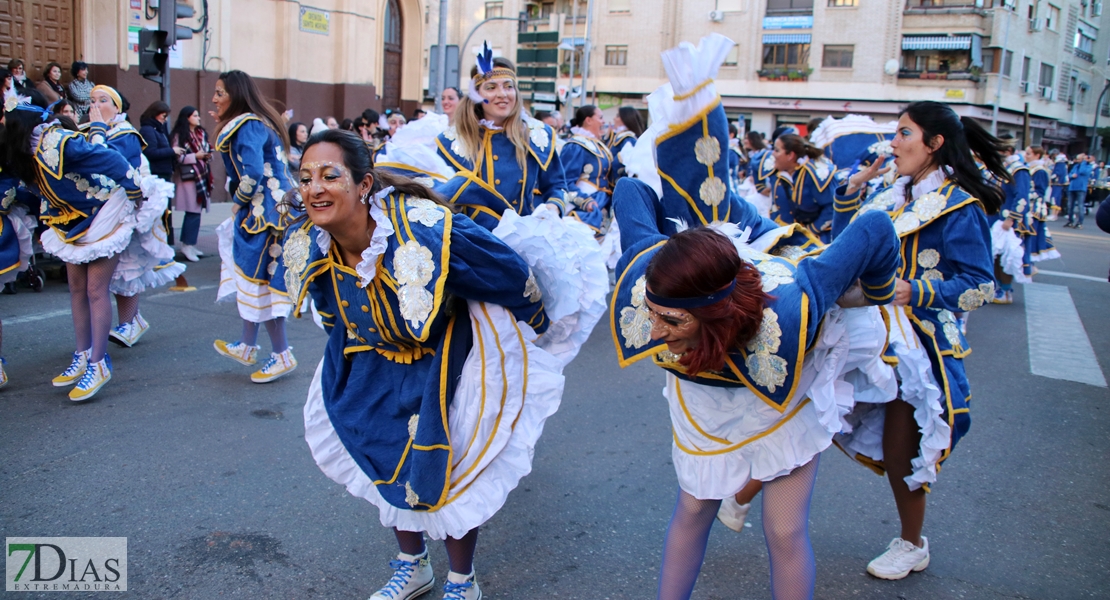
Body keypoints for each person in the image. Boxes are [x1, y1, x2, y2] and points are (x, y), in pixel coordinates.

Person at [609, 34, 901, 599]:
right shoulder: (645, 275)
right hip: (704, 398)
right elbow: (627, 191)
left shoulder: (792, 309)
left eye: (670, 322)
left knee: (784, 528)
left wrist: (875, 291)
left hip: (779, 393)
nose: (653, 333)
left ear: (713, 313)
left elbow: (873, 228)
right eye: (654, 315)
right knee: (693, 508)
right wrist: (667, 209)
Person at [280, 130, 564, 600]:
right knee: (384, 463)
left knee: (447, 475)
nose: (315, 189)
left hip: (441, 364)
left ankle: (461, 580)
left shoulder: (423, 227)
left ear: (364, 183)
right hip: (368, 364)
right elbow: (329, 309)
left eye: (331, 176)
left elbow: (506, 271)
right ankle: (412, 566)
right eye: (306, 178)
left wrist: (526, 326)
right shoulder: (312, 242)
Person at [832, 100, 1006, 581]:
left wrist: (917, 290)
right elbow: (843, 248)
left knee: (900, 450)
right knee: (814, 406)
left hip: (918, 348)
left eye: (904, 134)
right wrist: (852, 191)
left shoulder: (959, 207)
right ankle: (740, 495)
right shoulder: (890, 195)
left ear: (935, 144)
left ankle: (911, 544)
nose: (893, 143)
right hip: (868, 332)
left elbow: (979, 285)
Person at [4, 99, 144, 400]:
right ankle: (83, 353)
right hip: (71, 221)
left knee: (96, 290)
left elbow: (111, 159)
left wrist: (135, 193)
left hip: (104, 213)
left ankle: (99, 362)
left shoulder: (57, 141)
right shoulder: (26, 150)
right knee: (77, 289)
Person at [211, 70, 299, 383]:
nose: (214, 98)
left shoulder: (248, 124)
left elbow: (250, 175)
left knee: (263, 284)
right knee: (254, 280)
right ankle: (248, 345)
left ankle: (282, 355)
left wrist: (237, 203)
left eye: (220, 92)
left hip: (266, 217)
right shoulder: (253, 122)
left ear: (236, 94)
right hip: (272, 213)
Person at [435, 49, 574, 229]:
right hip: (472, 241)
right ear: (477, 94)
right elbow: (441, 196)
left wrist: (553, 207)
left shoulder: (537, 134)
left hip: (523, 238)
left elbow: (557, 185)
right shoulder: (451, 141)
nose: (502, 94)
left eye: (508, 86)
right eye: (491, 87)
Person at [88, 86, 182, 348]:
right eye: (92, 101)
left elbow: (108, 163)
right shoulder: (94, 131)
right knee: (115, 272)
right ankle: (133, 320)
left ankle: (130, 322)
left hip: (127, 210)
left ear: (117, 108)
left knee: (126, 267)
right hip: (105, 212)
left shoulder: (125, 134)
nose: (96, 106)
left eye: (103, 100)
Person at [169, 105, 214, 262]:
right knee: (192, 211)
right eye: (195, 115)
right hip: (189, 178)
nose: (198, 118)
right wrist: (195, 156)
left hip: (202, 176)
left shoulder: (201, 133)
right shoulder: (179, 135)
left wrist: (207, 155)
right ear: (187, 117)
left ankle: (190, 244)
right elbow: (177, 157)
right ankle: (186, 245)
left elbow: (208, 149)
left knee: (197, 211)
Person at [562, 105, 615, 234]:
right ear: (588, 120)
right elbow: (564, 181)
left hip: (603, 206)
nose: (603, 121)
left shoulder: (598, 144)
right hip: (585, 210)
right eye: (600, 117)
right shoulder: (575, 146)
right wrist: (585, 202)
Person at [1023, 146, 1060, 265]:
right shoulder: (1030, 168)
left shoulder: (1040, 170)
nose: (1026, 156)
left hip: (1034, 209)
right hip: (1027, 207)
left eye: (1029, 154)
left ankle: (1029, 263)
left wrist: (1025, 195)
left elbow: (1040, 192)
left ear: (1037, 155)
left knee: (1031, 236)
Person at [139, 101, 179, 182]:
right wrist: (172, 151)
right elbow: (150, 152)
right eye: (164, 116)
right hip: (156, 174)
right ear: (155, 114)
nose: (165, 119)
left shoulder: (159, 129)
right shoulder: (148, 130)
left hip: (163, 173)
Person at [607, 106, 644, 179]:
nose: (614, 118)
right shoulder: (619, 137)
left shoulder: (628, 139)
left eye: (617, 116)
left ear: (626, 119)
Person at [1066, 153, 1091, 228]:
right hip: (1072, 187)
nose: (1077, 160)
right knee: (1070, 205)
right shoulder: (1076, 166)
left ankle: (1080, 222)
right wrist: (1071, 176)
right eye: (1077, 159)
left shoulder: (1088, 166)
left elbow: (1082, 171)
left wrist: (1084, 162)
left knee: (1080, 206)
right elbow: (1070, 174)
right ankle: (1070, 221)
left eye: (1079, 159)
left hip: (1081, 188)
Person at [1048, 149, 1068, 220]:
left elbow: (1057, 173)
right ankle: (1055, 215)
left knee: (1054, 198)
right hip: (1060, 183)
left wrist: (1051, 177)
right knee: (1058, 198)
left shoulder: (1059, 163)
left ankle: (1053, 214)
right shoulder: (1064, 163)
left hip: (1057, 183)